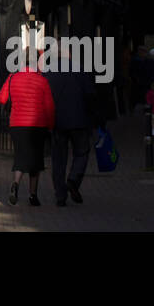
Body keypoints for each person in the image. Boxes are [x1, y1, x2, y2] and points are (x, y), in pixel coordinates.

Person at [0, 54, 56, 207]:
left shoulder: (12, 78)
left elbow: (2, 98)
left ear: (22, 63)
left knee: (21, 156)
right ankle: (33, 196)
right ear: (36, 63)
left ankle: (15, 184)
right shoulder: (42, 80)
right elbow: (49, 107)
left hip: (17, 124)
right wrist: (50, 126)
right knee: (36, 160)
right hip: (37, 126)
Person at [46, 68, 97, 207]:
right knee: (82, 153)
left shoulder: (50, 73)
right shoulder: (82, 72)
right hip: (79, 121)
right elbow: (90, 96)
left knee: (58, 160)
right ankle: (73, 179)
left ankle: (60, 196)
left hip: (58, 122)